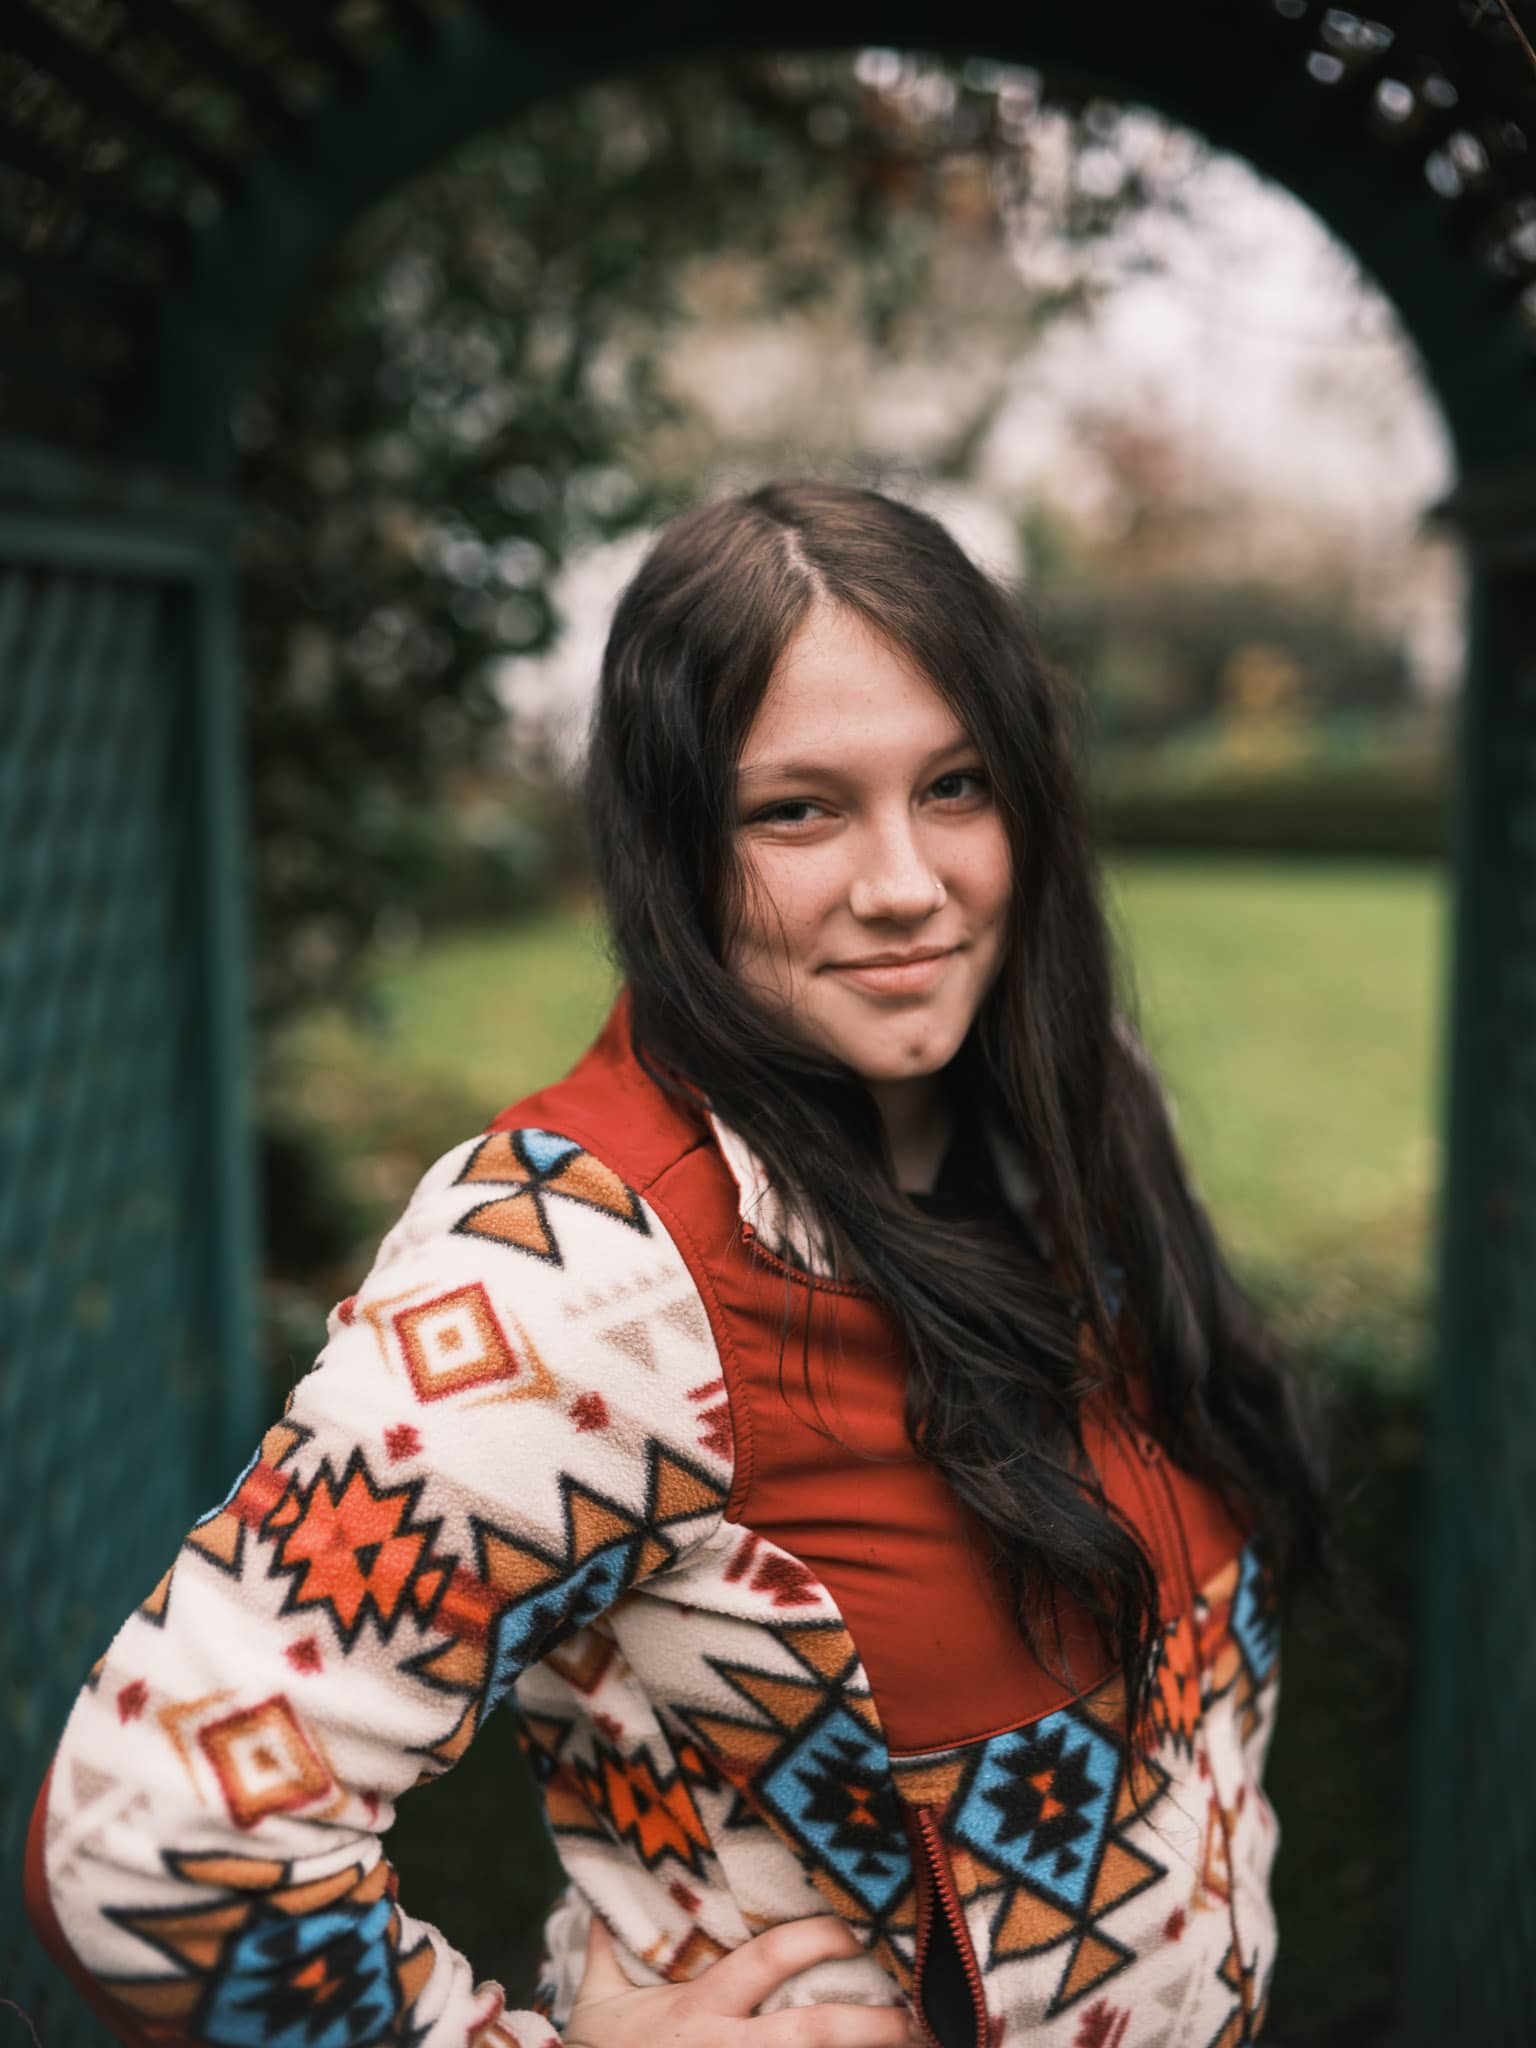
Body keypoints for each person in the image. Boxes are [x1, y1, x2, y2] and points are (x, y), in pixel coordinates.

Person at [24, 478, 1331, 2047]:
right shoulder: (575, 1269)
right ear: (672, 845)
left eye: (957, 786)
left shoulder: (1075, 1098)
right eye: (799, 811)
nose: (906, 885)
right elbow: (154, 1845)